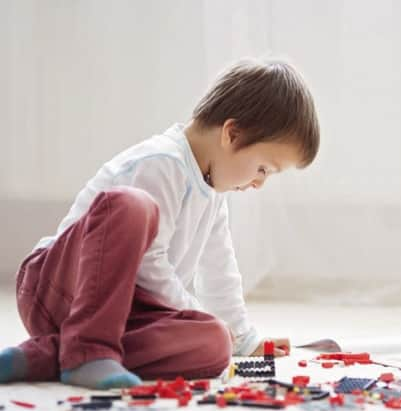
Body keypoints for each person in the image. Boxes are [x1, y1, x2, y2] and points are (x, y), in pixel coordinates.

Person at [0, 58, 320, 389]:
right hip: (59, 289)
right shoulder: (161, 163)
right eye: (263, 169)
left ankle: (49, 355)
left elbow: (219, 270)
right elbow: (148, 263)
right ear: (232, 135)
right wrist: (190, 310)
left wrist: (241, 337)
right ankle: (86, 349)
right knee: (131, 205)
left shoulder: (213, 192)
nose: (259, 184)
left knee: (214, 344)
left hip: (122, 315)